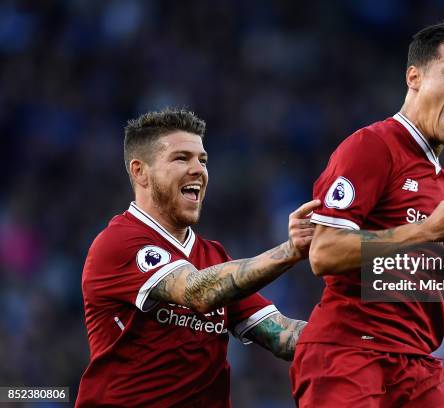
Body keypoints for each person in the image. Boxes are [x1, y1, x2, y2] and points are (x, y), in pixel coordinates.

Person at [290, 21, 444, 407]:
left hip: (416, 364)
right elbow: (324, 253)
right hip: (351, 354)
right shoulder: (373, 146)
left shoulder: (441, 182)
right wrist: (425, 231)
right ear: (414, 77)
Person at [76, 108, 320, 407]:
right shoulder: (118, 242)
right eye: (181, 158)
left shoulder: (213, 255)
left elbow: (283, 336)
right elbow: (197, 291)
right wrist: (290, 251)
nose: (198, 170)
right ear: (140, 171)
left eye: (202, 160)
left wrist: (370, 329)